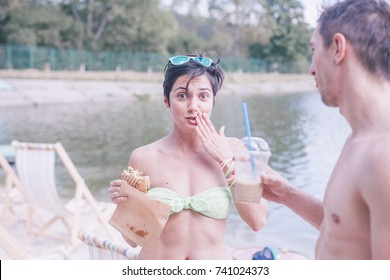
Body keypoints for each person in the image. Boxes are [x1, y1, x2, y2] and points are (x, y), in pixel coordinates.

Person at [261, 0, 390, 260]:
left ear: (338, 48)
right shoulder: (360, 138)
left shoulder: (382, 155)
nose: (311, 68)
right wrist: (287, 194)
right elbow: (346, 231)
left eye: (313, 49)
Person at [109, 54, 268, 260]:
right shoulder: (144, 157)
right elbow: (132, 240)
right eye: (182, 96)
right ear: (167, 101)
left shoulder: (235, 150)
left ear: (213, 101)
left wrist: (226, 162)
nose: (194, 106)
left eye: (203, 96)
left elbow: (257, 221)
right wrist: (124, 203)